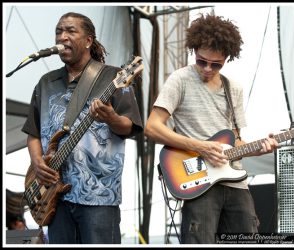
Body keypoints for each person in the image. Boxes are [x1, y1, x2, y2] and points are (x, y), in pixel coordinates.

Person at [145, 13, 279, 244]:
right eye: (201, 61)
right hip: (199, 183)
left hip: (236, 183)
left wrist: (261, 148)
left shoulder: (233, 88)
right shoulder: (180, 80)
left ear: (228, 58)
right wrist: (201, 147)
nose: (207, 68)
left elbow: (235, 142)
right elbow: (152, 127)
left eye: (216, 64)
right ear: (194, 50)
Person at [22, 12, 143, 244]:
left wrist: (110, 118)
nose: (62, 36)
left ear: (88, 41)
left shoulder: (114, 76)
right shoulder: (45, 82)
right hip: (54, 199)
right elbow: (33, 133)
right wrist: (37, 163)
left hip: (99, 196)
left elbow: (129, 126)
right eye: (59, 31)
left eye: (70, 31)